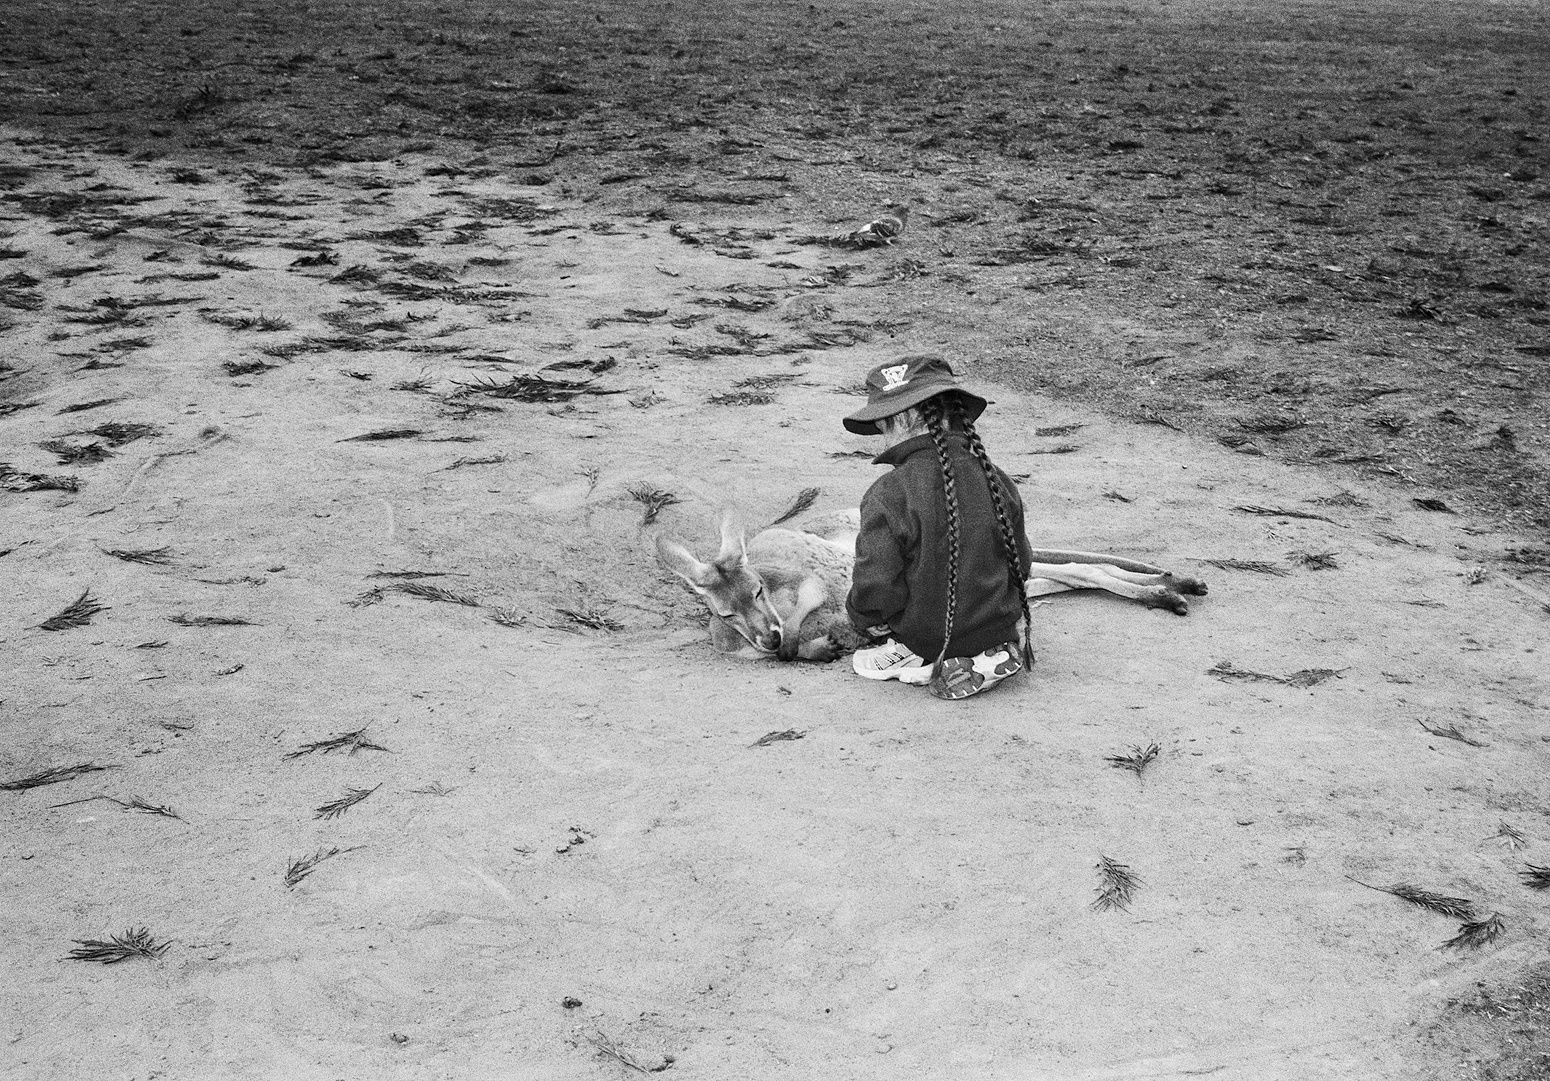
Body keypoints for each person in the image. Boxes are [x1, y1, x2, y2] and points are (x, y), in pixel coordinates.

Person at [842, 355, 1035, 700]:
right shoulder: (996, 479)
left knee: (863, 660)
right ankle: (990, 653)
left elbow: (876, 583)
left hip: (928, 634)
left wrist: (863, 615)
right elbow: (1021, 561)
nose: (881, 436)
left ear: (902, 418)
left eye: (882, 426)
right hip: (998, 625)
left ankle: (921, 656)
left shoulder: (889, 493)